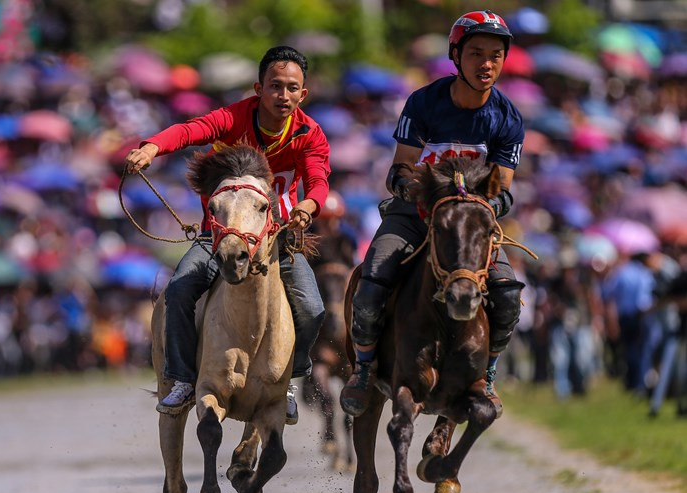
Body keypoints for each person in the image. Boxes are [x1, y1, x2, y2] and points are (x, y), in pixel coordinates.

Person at [125, 46, 330, 425]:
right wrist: (153, 146)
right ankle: (184, 379)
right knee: (179, 292)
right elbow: (190, 131)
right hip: (217, 239)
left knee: (314, 308)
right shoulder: (233, 118)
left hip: (277, 241)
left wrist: (308, 207)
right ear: (258, 88)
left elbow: (318, 181)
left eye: (291, 88)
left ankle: (287, 380)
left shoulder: (310, 134)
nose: (282, 96)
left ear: (303, 94)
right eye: (274, 86)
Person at [340, 10, 525, 419]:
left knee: (509, 294)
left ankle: (488, 374)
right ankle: (364, 369)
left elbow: (504, 188)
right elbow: (400, 168)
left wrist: (481, 207)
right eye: (477, 53)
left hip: (471, 226)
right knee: (371, 284)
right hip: (414, 213)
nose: (487, 64)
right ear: (456, 55)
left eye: (496, 55)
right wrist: (419, 191)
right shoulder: (423, 102)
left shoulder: (508, 116)